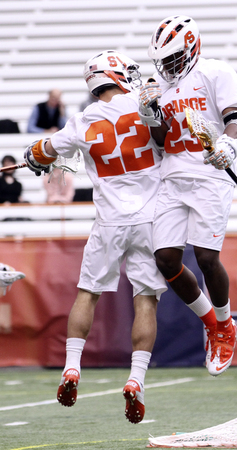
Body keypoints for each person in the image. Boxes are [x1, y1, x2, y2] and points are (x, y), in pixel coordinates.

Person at [23, 50, 168, 424]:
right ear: (116, 74)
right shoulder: (142, 102)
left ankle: (72, 367)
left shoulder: (82, 120)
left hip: (109, 221)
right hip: (150, 219)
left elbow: (44, 151)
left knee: (88, 293)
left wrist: (33, 155)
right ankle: (136, 378)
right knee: (146, 299)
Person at [138, 15, 237, 376]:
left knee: (205, 257)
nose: (167, 65)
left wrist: (229, 142)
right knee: (166, 259)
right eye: (163, 58)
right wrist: (152, 116)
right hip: (172, 175)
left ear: (191, 49)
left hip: (209, 174)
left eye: (173, 57)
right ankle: (214, 324)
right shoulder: (160, 87)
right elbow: (160, 142)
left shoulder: (215, 71)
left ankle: (225, 323)